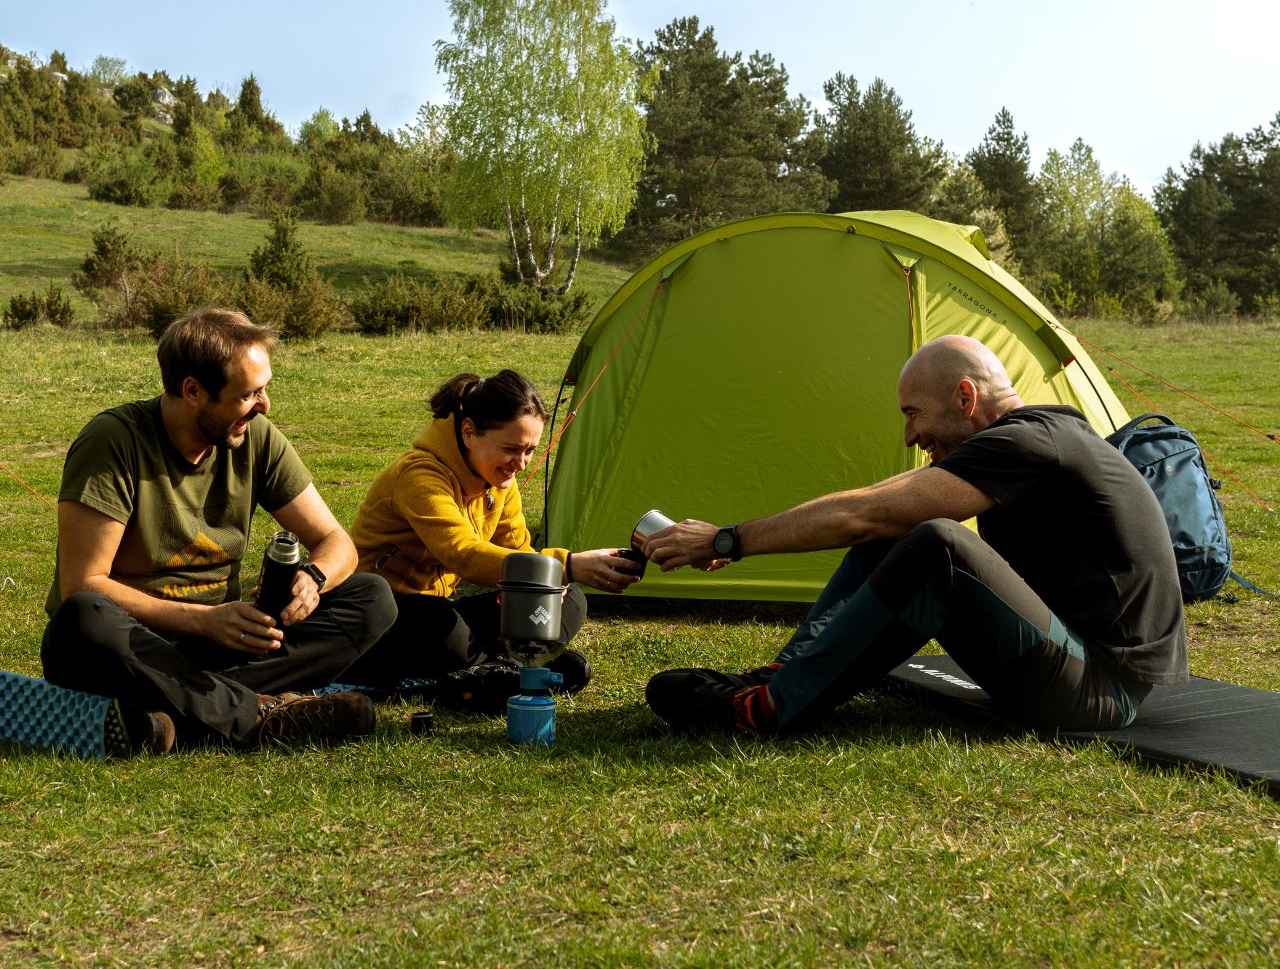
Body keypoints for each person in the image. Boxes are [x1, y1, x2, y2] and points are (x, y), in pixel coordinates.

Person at [642, 334, 1187, 738]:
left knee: (937, 544)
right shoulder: (1026, 437)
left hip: (1098, 691)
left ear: (965, 397)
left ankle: (767, 710)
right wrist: (730, 538)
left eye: (913, 414)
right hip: (1070, 663)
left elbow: (864, 515)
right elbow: (881, 502)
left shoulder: (1030, 443)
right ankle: (782, 675)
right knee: (901, 527)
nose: (909, 435)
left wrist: (727, 541)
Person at [41, 307, 397, 755]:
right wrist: (204, 620)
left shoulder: (255, 436)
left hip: (223, 644)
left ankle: (178, 714)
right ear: (193, 391)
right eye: (249, 394)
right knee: (83, 616)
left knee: (371, 597)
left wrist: (314, 579)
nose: (264, 405)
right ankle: (259, 715)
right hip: (130, 644)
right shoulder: (113, 441)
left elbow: (336, 542)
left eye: (263, 389)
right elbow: (82, 584)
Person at [342, 368, 640, 696]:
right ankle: (517, 668)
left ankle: (505, 668)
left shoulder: (499, 480)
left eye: (530, 450)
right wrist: (564, 566)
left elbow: (518, 552)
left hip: (442, 609)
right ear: (469, 432)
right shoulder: (419, 476)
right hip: (384, 616)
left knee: (569, 599)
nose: (521, 463)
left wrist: (554, 582)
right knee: (445, 628)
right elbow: (463, 554)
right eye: (511, 449)